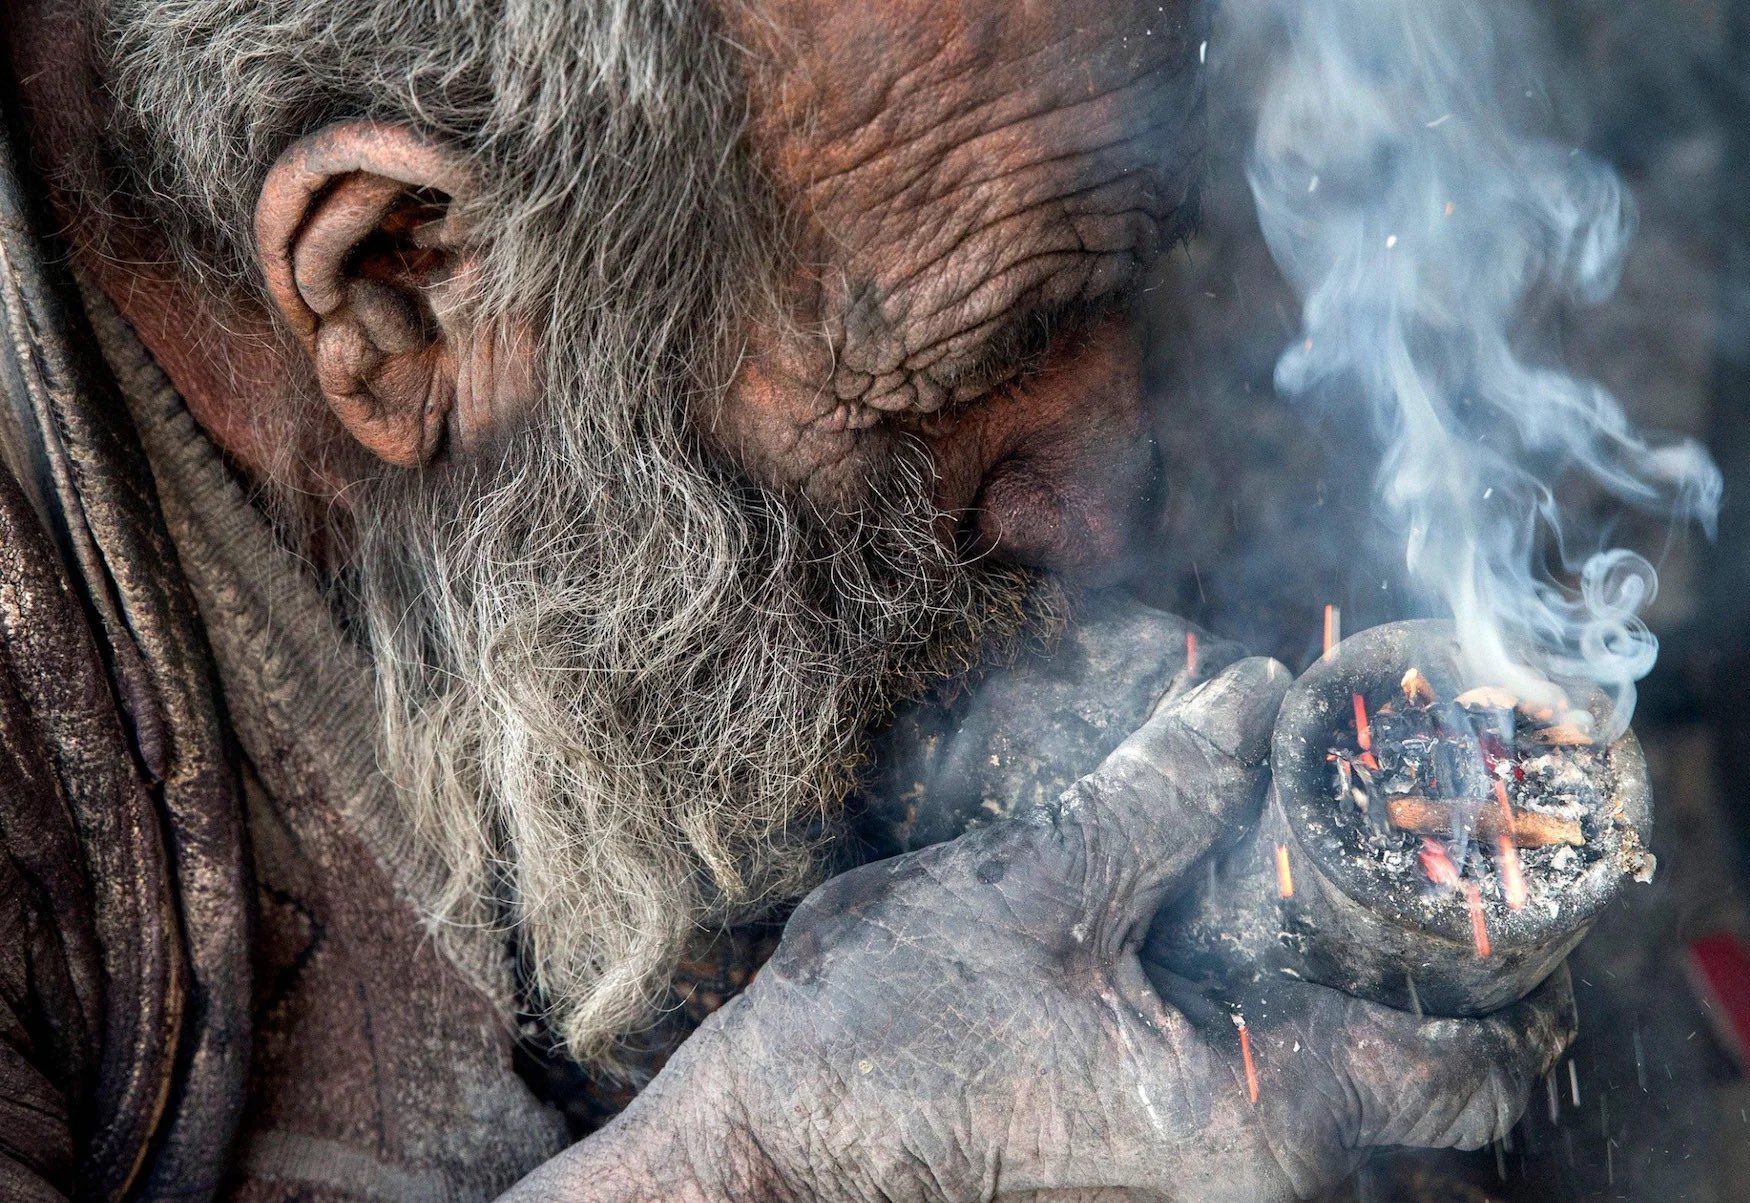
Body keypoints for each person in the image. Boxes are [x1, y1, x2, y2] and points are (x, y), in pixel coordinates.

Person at [0, 2, 1569, 1199]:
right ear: (406, 287)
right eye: (990, 359)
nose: (1104, 519)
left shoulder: (983, 159)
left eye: (1124, 288)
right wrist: (759, 1159)